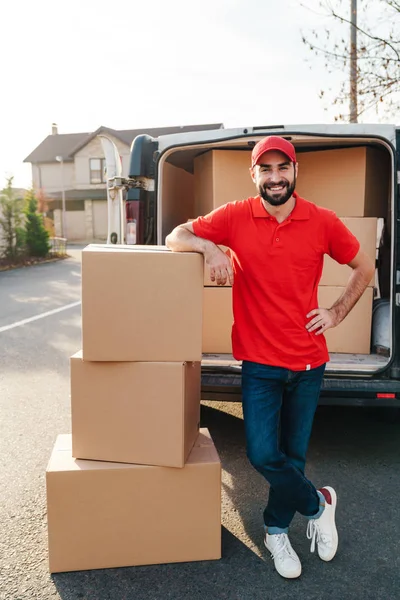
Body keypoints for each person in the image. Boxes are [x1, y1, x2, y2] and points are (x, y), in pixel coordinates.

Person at [165, 136, 374, 579]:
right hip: (260, 363)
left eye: (283, 168)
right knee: (263, 454)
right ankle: (320, 505)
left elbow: (364, 267)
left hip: (309, 363)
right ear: (254, 175)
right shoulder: (236, 216)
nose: (275, 177)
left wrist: (337, 312)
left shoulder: (322, 220)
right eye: (266, 169)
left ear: (296, 171)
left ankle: (276, 529)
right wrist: (210, 247)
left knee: (292, 458)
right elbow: (175, 235)